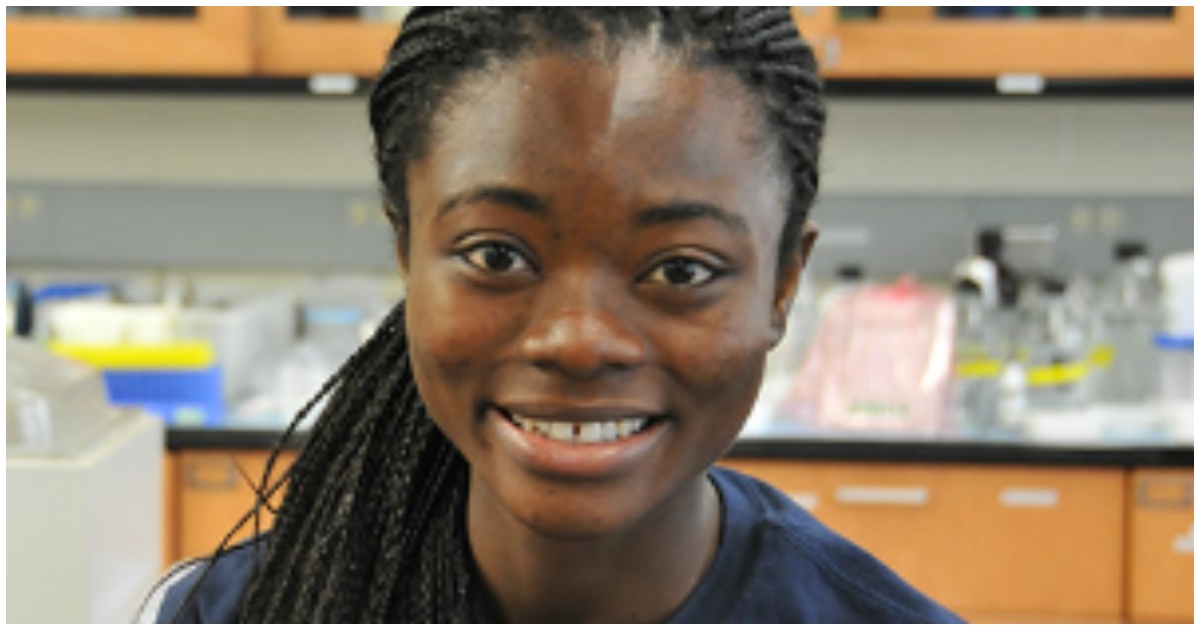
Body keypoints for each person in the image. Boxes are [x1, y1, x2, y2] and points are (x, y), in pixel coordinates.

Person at [143, 8, 962, 623]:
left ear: (783, 285)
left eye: (680, 269)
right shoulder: (237, 610)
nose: (578, 342)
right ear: (406, 250)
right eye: (497, 255)